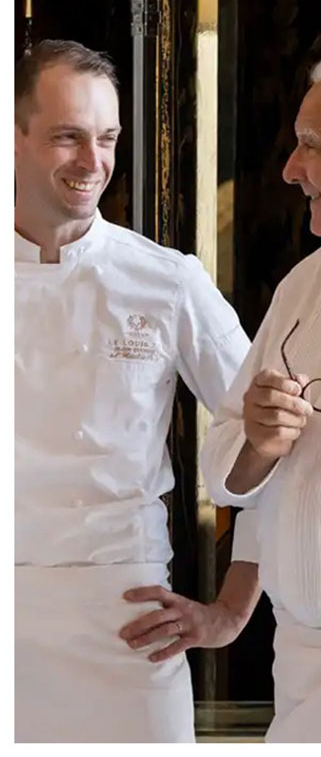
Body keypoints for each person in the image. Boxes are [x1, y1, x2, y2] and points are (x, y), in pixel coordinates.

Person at [14, 39, 261, 743]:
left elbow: (276, 448)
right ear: (15, 137)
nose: (93, 163)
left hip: (128, 619)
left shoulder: (169, 281)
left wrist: (231, 610)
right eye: (68, 137)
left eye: (108, 138)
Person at [200, 40, 321, 743]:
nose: (289, 170)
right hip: (300, 664)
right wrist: (257, 444)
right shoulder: (302, 285)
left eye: (312, 146)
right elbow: (227, 466)